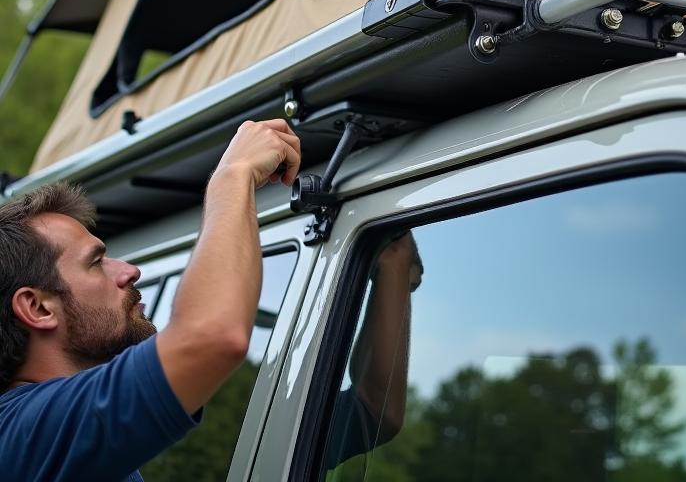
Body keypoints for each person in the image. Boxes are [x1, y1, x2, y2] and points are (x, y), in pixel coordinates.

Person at [0, 118, 418, 480]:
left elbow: (370, 413)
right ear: (37, 308)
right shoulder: (21, 436)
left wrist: (392, 263)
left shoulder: (79, 442)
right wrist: (232, 176)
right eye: (97, 263)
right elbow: (210, 336)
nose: (129, 271)